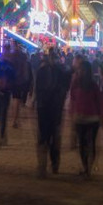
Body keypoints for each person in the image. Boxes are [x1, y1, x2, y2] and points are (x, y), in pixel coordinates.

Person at [35, 48, 69, 178]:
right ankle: (50, 165)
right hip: (52, 109)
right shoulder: (59, 72)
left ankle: (45, 166)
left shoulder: (44, 71)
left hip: (47, 108)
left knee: (46, 138)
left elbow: (38, 90)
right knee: (52, 138)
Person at [69, 60, 103, 178]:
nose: (81, 71)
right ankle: (86, 167)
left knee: (90, 144)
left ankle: (88, 168)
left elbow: (100, 101)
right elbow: (72, 99)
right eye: (80, 69)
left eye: (83, 69)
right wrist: (72, 114)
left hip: (92, 119)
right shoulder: (76, 83)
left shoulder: (93, 85)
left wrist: (101, 116)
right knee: (82, 144)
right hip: (80, 118)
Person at [0, 47, 16, 148]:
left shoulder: (1, 65)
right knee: (2, 115)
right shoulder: (9, 66)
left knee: (2, 115)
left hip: (3, 91)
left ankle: (1, 138)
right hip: (4, 91)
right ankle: (3, 137)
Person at [10, 43, 31, 128]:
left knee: (14, 100)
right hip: (20, 80)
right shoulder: (23, 56)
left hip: (12, 79)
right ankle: (15, 119)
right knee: (17, 100)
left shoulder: (12, 55)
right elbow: (25, 69)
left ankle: (14, 119)